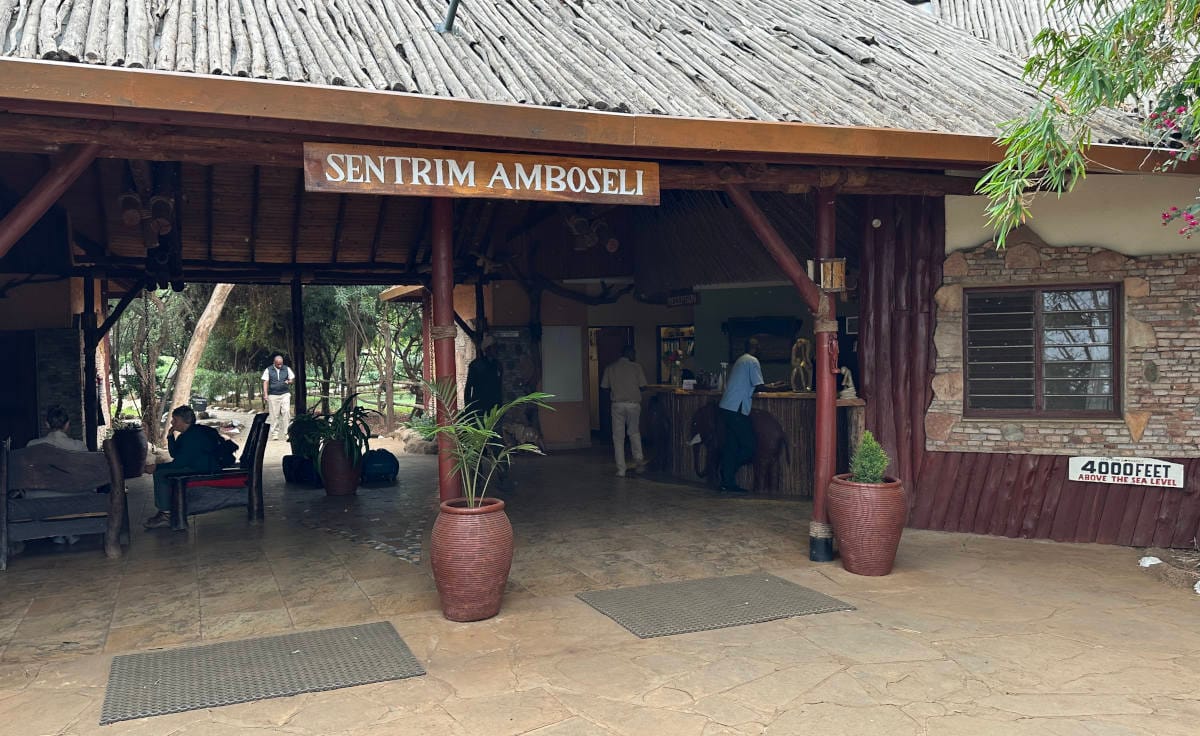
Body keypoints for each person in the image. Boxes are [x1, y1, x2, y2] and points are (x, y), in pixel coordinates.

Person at [142, 406, 225, 529]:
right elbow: (175, 455)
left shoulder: (193, 436)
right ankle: (168, 510)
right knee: (163, 471)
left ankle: (166, 514)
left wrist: (156, 467)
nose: (172, 422)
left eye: (175, 420)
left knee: (161, 474)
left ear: (186, 421)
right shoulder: (187, 434)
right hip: (198, 467)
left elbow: (179, 464)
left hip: (204, 470)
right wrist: (170, 436)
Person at [717, 338, 765, 493]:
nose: (761, 350)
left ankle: (727, 482)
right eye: (759, 347)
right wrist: (778, 387)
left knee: (732, 446)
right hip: (736, 408)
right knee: (749, 446)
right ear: (755, 347)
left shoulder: (741, 359)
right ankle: (726, 470)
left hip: (727, 407)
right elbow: (759, 386)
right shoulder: (752, 361)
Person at [600, 345, 647, 477]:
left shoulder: (610, 368)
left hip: (617, 404)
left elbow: (604, 387)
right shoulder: (636, 367)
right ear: (630, 353)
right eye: (634, 353)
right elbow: (643, 386)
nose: (635, 356)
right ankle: (638, 461)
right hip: (633, 405)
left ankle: (621, 469)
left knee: (618, 437)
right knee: (634, 433)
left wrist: (615, 392)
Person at [465, 335, 503, 418]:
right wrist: (468, 408)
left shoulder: (498, 365)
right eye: (494, 347)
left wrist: (500, 406)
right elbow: (468, 388)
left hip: (494, 407)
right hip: (479, 407)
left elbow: (498, 388)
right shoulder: (476, 365)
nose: (496, 350)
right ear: (487, 349)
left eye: (496, 347)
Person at [261, 354, 296, 441]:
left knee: (286, 412)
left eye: (281, 364)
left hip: (285, 394)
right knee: (274, 415)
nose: (280, 366)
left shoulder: (286, 368)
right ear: (274, 362)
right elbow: (265, 382)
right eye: (278, 364)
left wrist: (289, 381)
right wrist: (265, 394)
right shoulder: (268, 370)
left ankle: (287, 433)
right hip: (273, 395)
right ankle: (275, 433)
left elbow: (292, 379)